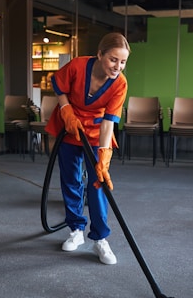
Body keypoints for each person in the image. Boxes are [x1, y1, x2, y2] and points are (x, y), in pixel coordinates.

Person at [45, 32, 130, 265]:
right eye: (113, 59)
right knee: (71, 180)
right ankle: (76, 230)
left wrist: (103, 156)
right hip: (69, 128)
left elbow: (108, 122)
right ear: (100, 54)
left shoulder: (120, 84)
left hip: (95, 134)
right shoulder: (78, 66)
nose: (117, 66)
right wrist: (66, 110)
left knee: (98, 184)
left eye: (123, 62)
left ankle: (100, 238)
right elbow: (59, 87)